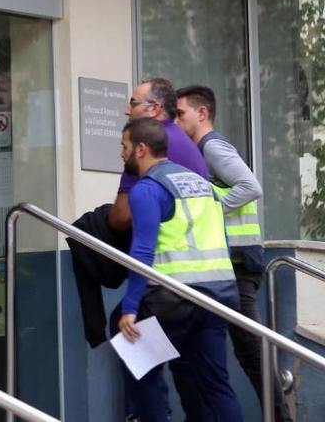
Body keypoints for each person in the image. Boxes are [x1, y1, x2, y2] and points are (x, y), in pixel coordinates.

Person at [176, 85, 293, 422]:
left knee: (250, 350)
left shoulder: (211, 147)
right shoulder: (201, 150)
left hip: (240, 264)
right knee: (235, 350)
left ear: (202, 113)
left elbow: (251, 186)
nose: (177, 120)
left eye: (181, 113)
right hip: (229, 263)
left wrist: (212, 210)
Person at [117, 117, 243, 422]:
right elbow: (221, 237)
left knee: (134, 354)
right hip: (220, 294)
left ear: (141, 149)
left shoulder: (147, 189)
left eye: (124, 147)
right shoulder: (202, 183)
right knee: (215, 383)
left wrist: (131, 307)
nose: (121, 154)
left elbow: (142, 251)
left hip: (175, 297)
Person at [70, 77, 209, 348]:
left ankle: (96, 335)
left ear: (154, 108)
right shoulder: (183, 141)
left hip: (170, 273)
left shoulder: (146, 147)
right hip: (208, 279)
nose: (126, 110)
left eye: (132, 103)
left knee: (84, 229)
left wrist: (131, 307)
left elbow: (122, 219)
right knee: (198, 376)